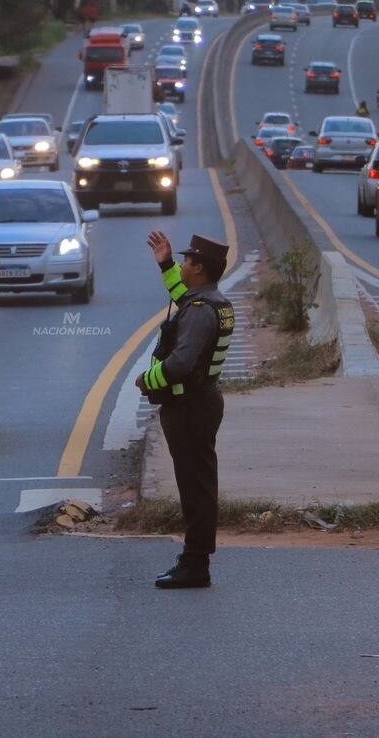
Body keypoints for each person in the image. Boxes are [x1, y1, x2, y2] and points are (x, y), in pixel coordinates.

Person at [136, 231, 234, 589]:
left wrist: (148, 379)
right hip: (199, 403)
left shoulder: (198, 313)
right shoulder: (209, 302)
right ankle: (195, 559)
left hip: (191, 407)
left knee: (195, 487)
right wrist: (164, 264)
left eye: (186, 261)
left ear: (200, 269)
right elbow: (182, 296)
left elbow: (179, 364)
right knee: (197, 484)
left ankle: (195, 564)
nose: (183, 265)